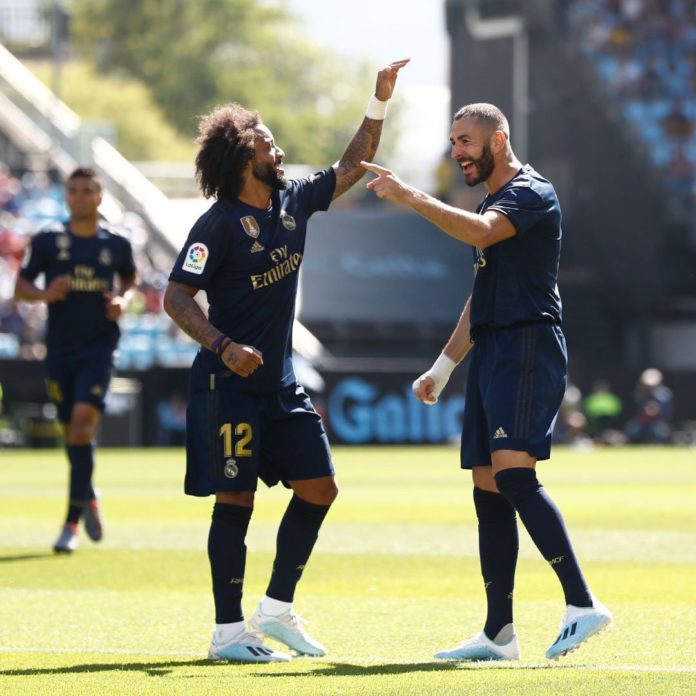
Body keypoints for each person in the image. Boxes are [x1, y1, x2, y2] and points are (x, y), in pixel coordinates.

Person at [163, 58, 409, 663]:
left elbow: (351, 166)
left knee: (320, 488)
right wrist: (223, 345)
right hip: (228, 386)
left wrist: (378, 100)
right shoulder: (217, 226)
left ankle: (274, 611)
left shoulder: (292, 201)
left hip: (279, 384)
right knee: (236, 502)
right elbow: (176, 296)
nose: (279, 151)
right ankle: (228, 634)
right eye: (268, 144)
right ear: (242, 158)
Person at [361, 103, 612, 661]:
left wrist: (411, 195)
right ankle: (499, 633)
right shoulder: (491, 202)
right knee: (487, 486)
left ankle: (582, 604)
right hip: (494, 349)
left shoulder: (530, 192)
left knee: (514, 475)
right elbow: (482, 297)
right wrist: (443, 367)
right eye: (454, 141)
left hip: (527, 345)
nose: (457, 152)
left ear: (498, 139)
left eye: (466, 141)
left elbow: (481, 232)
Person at [14, 167, 136, 553]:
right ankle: (89, 495)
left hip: (99, 348)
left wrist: (123, 301)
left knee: (82, 428)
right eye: (74, 190)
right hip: (60, 350)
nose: (80, 196)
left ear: (100, 197)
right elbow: (21, 287)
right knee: (72, 432)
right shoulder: (49, 240)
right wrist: (46, 294)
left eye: (88, 190)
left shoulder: (117, 244)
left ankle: (69, 524)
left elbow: (130, 280)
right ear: (66, 196)